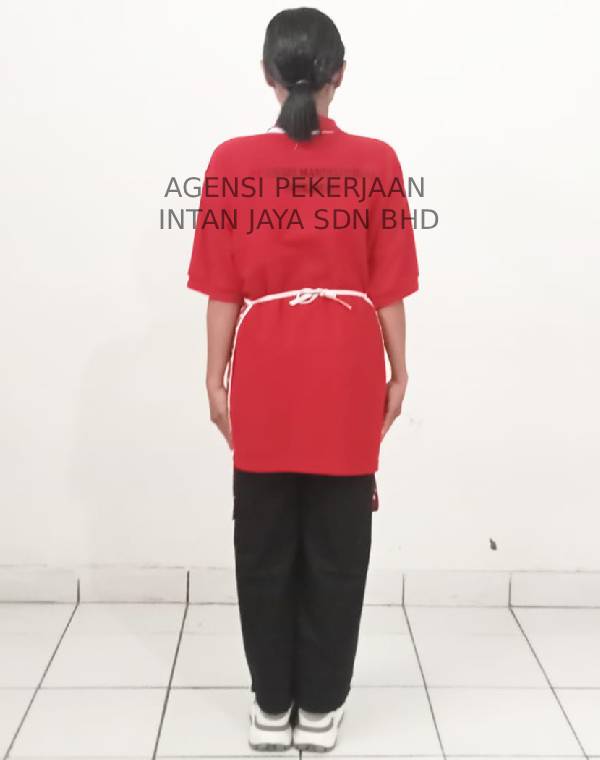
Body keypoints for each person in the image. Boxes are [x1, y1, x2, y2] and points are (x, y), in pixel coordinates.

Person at [187, 7, 419, 752]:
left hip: (265, 362)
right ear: (338, 74)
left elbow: (222, 284)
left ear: (267, 73)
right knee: (338, 543)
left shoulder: (231, 162)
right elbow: (388, 283)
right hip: (347, 362)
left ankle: (270, 704)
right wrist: (400, 369)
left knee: (261, 541)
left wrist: (215, 375)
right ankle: (319, 707)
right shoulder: (377, 161)